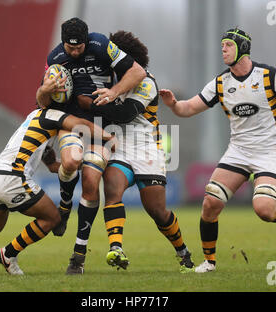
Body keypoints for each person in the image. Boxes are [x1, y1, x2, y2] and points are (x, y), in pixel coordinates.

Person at [159, 28, 276, 274]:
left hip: (270, 152)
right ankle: (209, 262)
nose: (223, 49)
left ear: (242, 48)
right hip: (238, 152)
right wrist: (174, 105)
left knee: (263, 209)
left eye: (228, 45)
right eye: (221, 45)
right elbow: (189, 108)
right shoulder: (221, 82)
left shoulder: (270, 76)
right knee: (210, 203)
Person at [0, 102, 114, 275]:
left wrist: (86, 165)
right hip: (13, 177)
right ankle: (8, 254)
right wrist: (109, 138)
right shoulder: (51, 115)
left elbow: (52, 165)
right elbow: (82, 125)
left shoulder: (33, 118)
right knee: (52, 218)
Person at [36, 17, 146, 275]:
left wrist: (115, 91)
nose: (74, 52)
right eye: (69, 47)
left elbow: (137, 71)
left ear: (87, 40)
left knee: (90, 180)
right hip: (71, 123)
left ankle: (78, 256)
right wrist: (45, 88)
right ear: (63, 43)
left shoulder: (101, 45)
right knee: (71, 162)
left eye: (79, 47)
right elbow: (41, 101)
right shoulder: (55, 58)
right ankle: (64, 205)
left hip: (103, 127)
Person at [92, 30, 195, 273]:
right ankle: (116, 248)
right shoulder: (110, 80)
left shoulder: (146, 81)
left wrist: (90, 104)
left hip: (147, 149)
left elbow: (126, 113)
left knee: (157, 211)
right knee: (112, 189)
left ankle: (183, 252)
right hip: (120, 147)